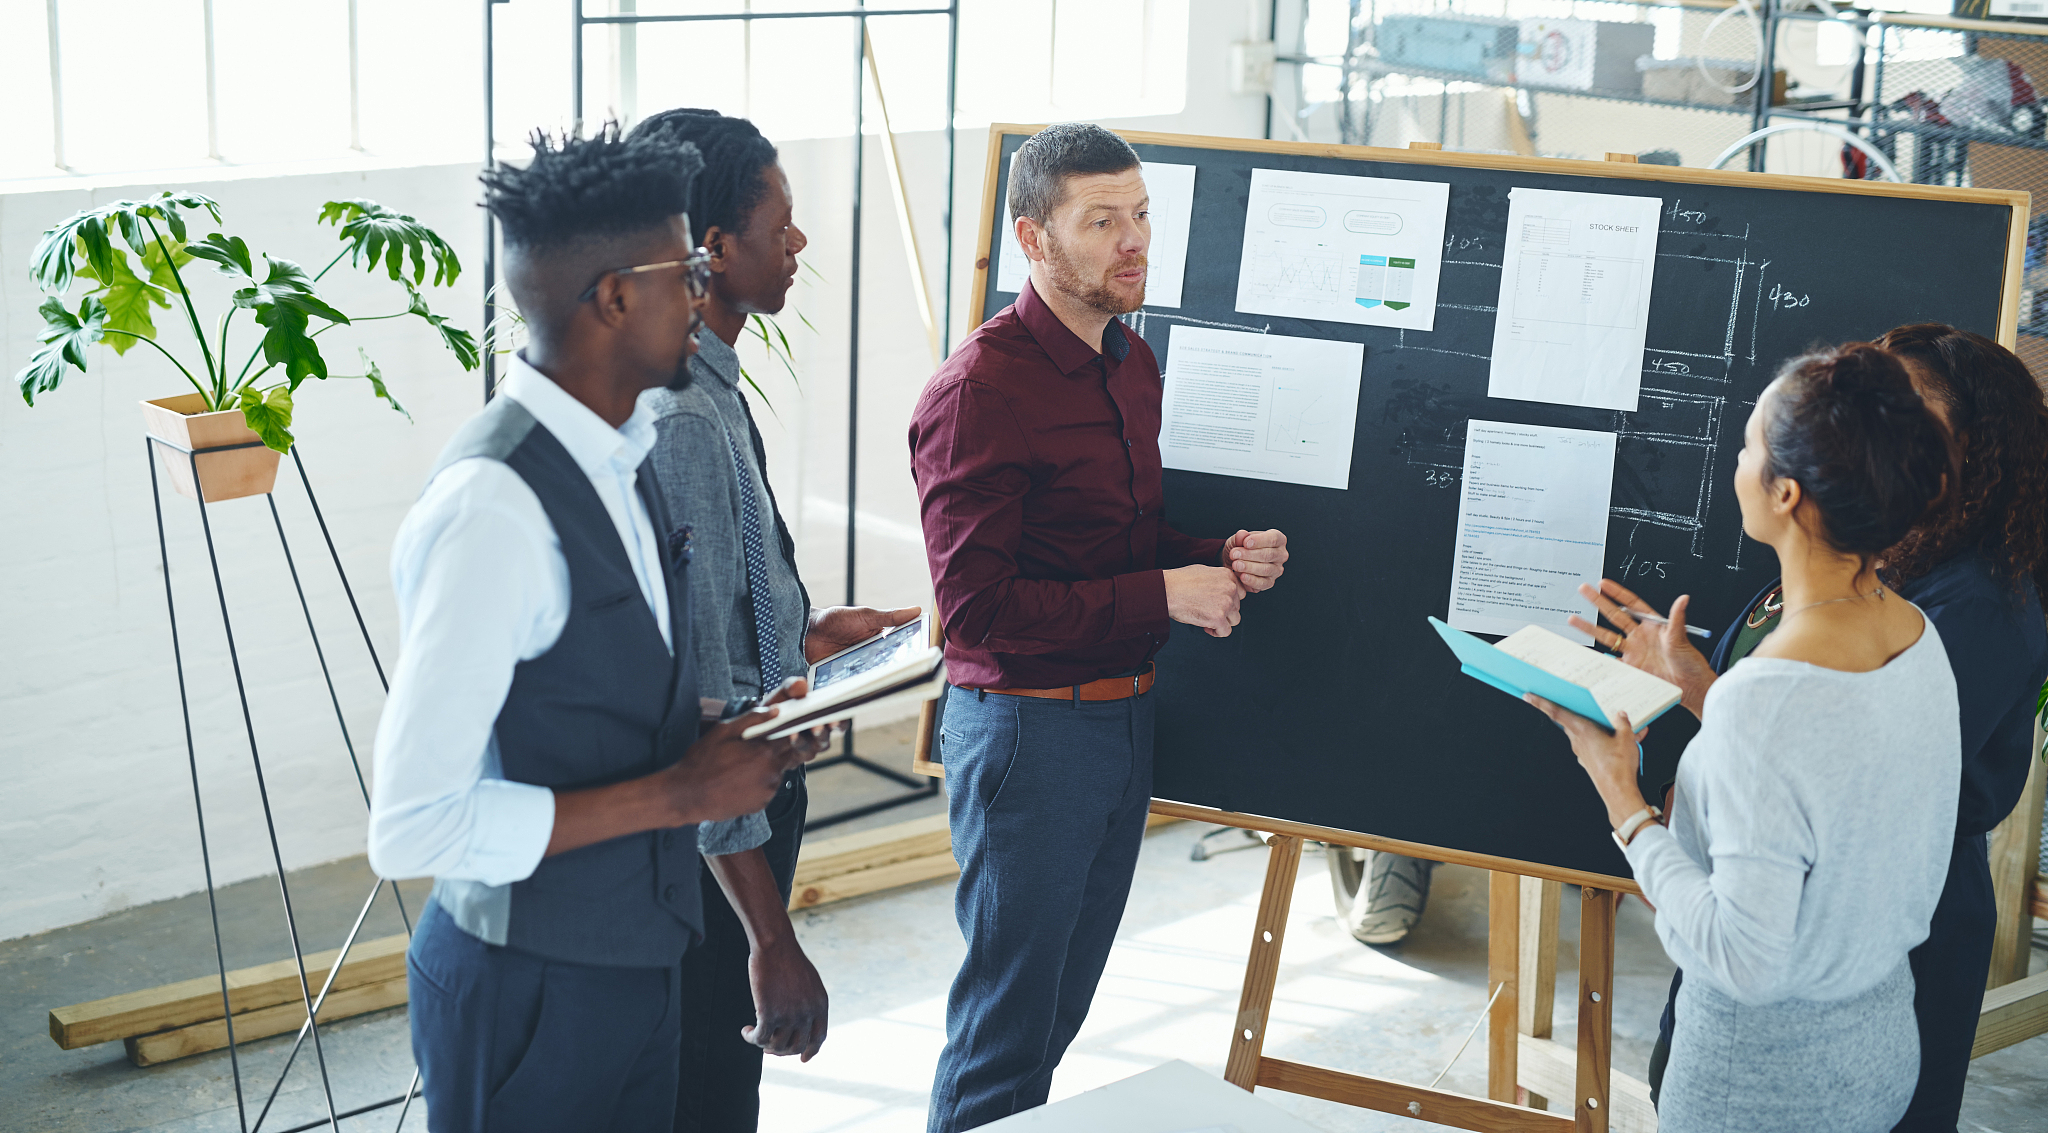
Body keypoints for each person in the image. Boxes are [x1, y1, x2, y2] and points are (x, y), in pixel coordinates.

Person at [366, 126, 822, 1132]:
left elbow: (608, 695)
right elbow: (411, 821)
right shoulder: (493, 505)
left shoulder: (623, 457)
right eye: (686, 267)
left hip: (637, 964)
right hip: (527, 989)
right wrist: (677, 790)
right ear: (615, 297)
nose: (703, 289)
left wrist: (745, 726)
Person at [908, 122, 1293, 1133]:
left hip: (1121, 723)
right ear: (1034, 241)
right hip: (1027, 734)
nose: (1133, 241)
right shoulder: (977, 392)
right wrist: (1165, 592)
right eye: (1100, 221)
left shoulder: (1128, 361)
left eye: (1139, 215)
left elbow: (1114, 537)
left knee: (1053, 1021)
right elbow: (977, 612)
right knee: (1002, 1035)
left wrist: (1214, 551)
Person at [1584, 326, 2048, 1131]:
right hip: (1874, 1048)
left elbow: (1744, 956)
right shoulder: (1911, 627)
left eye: (1746, 445)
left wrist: (1623, 801)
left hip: (1761, 1082)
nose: (1735, 461)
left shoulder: (1780, 695)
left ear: (1787, 492)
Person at [624, 107, 921, 1133]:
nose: (796, 244)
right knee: (706, 1089)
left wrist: (805, 637)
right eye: (779, 224)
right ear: (711, 249)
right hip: (715, 849)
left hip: (723, 818)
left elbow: (711, 618)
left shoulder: (702, 386)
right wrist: (767, 937)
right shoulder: (685, 420)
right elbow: (697, 700)